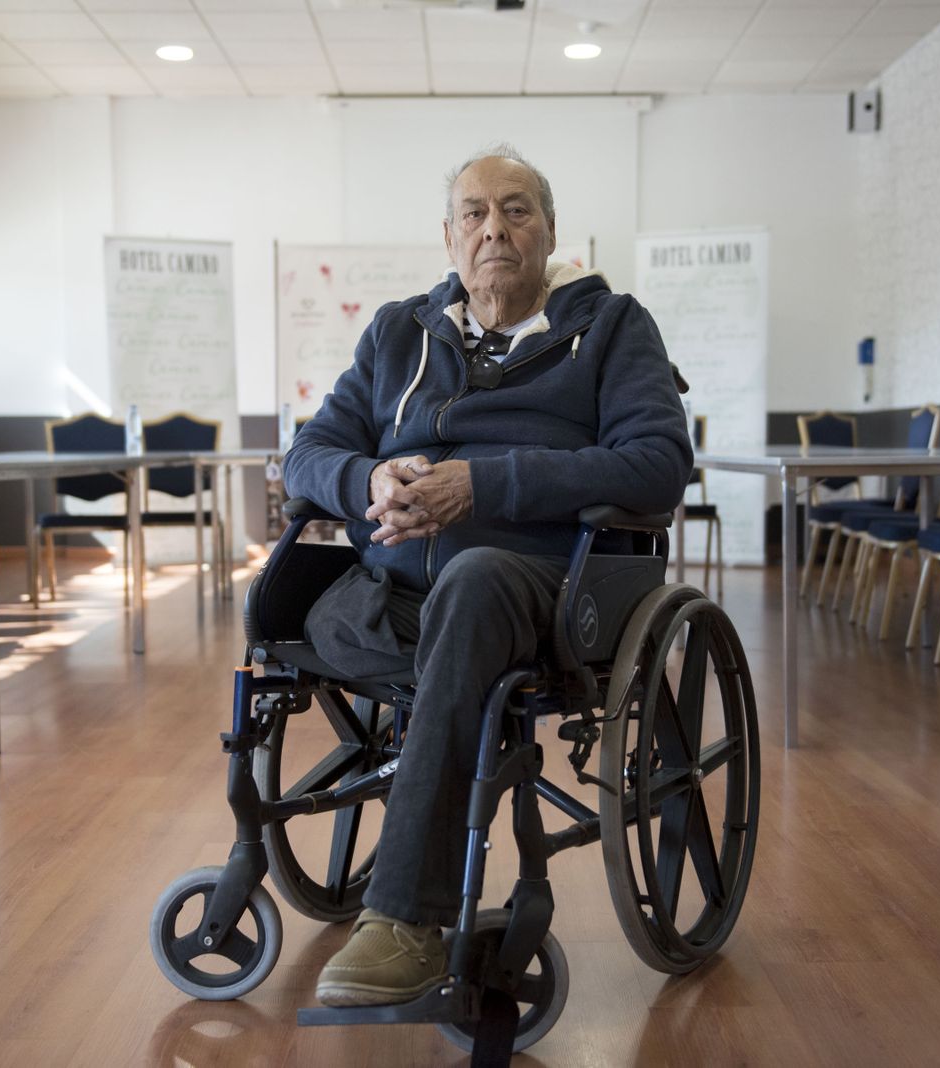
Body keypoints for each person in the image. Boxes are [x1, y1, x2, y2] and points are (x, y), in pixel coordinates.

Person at [282, 144, 692, 1008]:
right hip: (392, 595)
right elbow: (308, 453)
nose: (494, 229)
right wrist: (367, 481)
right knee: (302, 600)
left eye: (516, 211)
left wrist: (484, 485)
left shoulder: (612, 328)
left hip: (546, 587)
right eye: (475, 213)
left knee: (471, 585)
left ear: (548, 233)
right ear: (449, 236)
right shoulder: (399, 331)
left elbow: (658, 464)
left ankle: (404, 919)